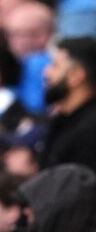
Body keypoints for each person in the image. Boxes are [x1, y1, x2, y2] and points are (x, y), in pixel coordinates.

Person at [42, 37, 96, 172]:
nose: (46, 72)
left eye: (55, 66)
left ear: (76, 76)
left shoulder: (90, 131)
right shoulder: (63, 119)